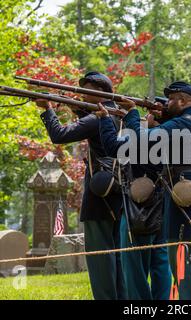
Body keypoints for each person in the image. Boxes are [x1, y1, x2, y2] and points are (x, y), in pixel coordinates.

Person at [98, 81, 191, 300]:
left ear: (183, 101)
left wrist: (131, 114)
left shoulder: (181, 123)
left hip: (187, 197)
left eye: (171, 100)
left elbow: (141, 141)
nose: (167, 103)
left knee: (184, 263)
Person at [35, 71, 127, 300]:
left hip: (100, 196)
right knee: (120, 256)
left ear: (100, 93)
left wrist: (47, 109)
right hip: (123, 194)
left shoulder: (98, 118)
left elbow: (59, 135)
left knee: (100, 259)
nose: (84, 98)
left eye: (87, 92)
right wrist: (70, 104)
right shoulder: (126, 114)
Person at [97, 103, 172, 300]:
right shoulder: (173, 136)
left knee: (133, 266)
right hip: (163, 208)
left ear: (155, 118)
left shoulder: (145, 139)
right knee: (161, 262)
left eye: (149, 113)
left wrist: (105, 119)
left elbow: (112, 147)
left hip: (137, 211)